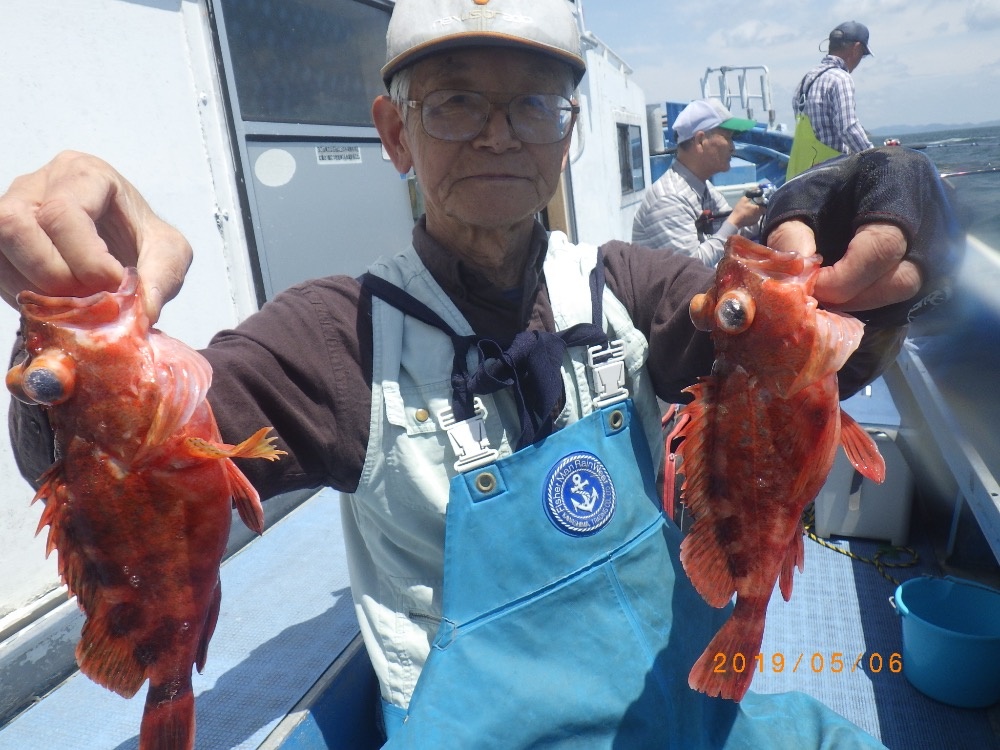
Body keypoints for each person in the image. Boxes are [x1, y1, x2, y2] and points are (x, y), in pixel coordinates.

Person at [0, 0, 958, 746]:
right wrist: (65, 335)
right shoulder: (335, 336)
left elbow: (776, 357)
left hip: (677, 715)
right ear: (395, 132)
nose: (498, 135)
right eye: (455, 100)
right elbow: (110, 455)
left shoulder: (628, 285)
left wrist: (868, 215)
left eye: (532, 104)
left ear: (567, 134)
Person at [631, 99, 765, 266]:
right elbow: (691, 268)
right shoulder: (669, 198)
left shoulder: (703, 187)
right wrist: (736, 219)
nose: (733, 148)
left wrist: (763, 216)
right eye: (727, 137)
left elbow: (730, 231)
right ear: (701, 140)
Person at [788, 21, 875, 178]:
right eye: (863, 54)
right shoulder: (841, 78)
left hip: (802, 176)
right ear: (856, 49)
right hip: (829, 179)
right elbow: (848, 128)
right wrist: (874, 160)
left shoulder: (805, 81)